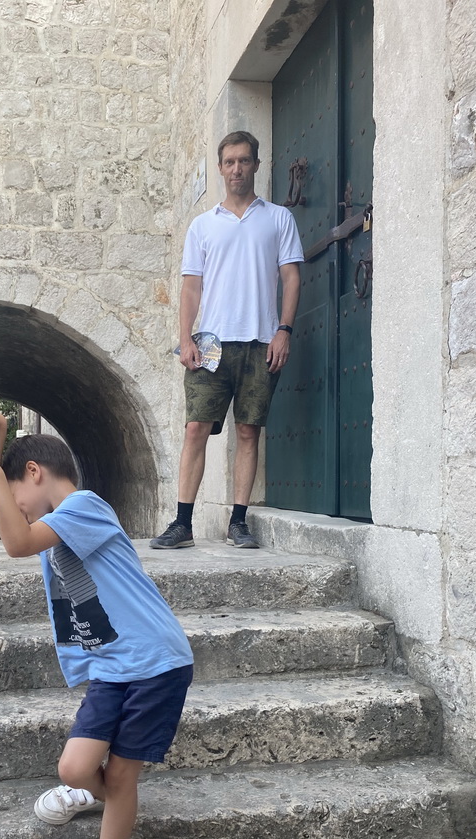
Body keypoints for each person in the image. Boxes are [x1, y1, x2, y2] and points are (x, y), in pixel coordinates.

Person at [0, 406, 193, 839]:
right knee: (74, 768)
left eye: (14, 493)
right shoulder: (53, 519)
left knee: (121, 776)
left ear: (35, 472)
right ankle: (105, 795)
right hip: (113, 666)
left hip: (155, 664)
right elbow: (17, 526)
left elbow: (16, 543)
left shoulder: (84, 506)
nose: (11, 508)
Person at [151, 129, 303, 551]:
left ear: (256, 164)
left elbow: (291, 279)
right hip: (212, 341)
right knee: (196, 427)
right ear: (220, 168)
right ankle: (182, 523)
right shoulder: (203, 226)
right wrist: (185, 339)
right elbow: (190, 288)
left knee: (249, 431)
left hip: (260, 339)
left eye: (244, 160)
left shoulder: (278, 219)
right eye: (229, 162)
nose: (237, 168)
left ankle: (239, 521)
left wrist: (284, 330)